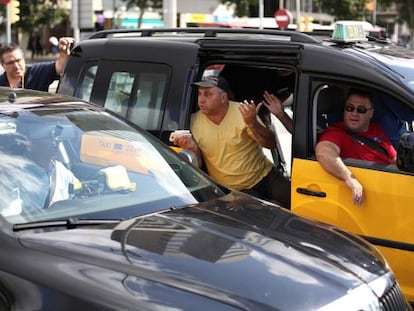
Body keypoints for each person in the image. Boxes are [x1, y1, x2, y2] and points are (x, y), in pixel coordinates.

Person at [173, 75, 291, 207]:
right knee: (265, 217)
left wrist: (252, 123)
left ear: (223, 98)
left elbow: (270, 143)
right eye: (200, 94)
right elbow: (198, 164)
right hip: (235, 192)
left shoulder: (243, 111)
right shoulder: (193, 122)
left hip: (266, 176)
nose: (201, 100)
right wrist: (192, 148)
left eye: (208, 94)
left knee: (299, 204)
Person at [315, 88, 396, 206]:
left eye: (361, 110)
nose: (354, 113)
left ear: (371, 113)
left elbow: (394, 159)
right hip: (370, 196)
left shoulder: (377, 129)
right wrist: (350, 179)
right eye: (349, 108)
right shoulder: (337, 132)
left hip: (390, 189)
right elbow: (324, 153)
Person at [0, 37, 74, 91]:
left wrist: (63, 53)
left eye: (18, 60)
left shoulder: (37, 72)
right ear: (3, 65)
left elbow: (60, 68)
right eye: (10, 63)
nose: (16, 66)